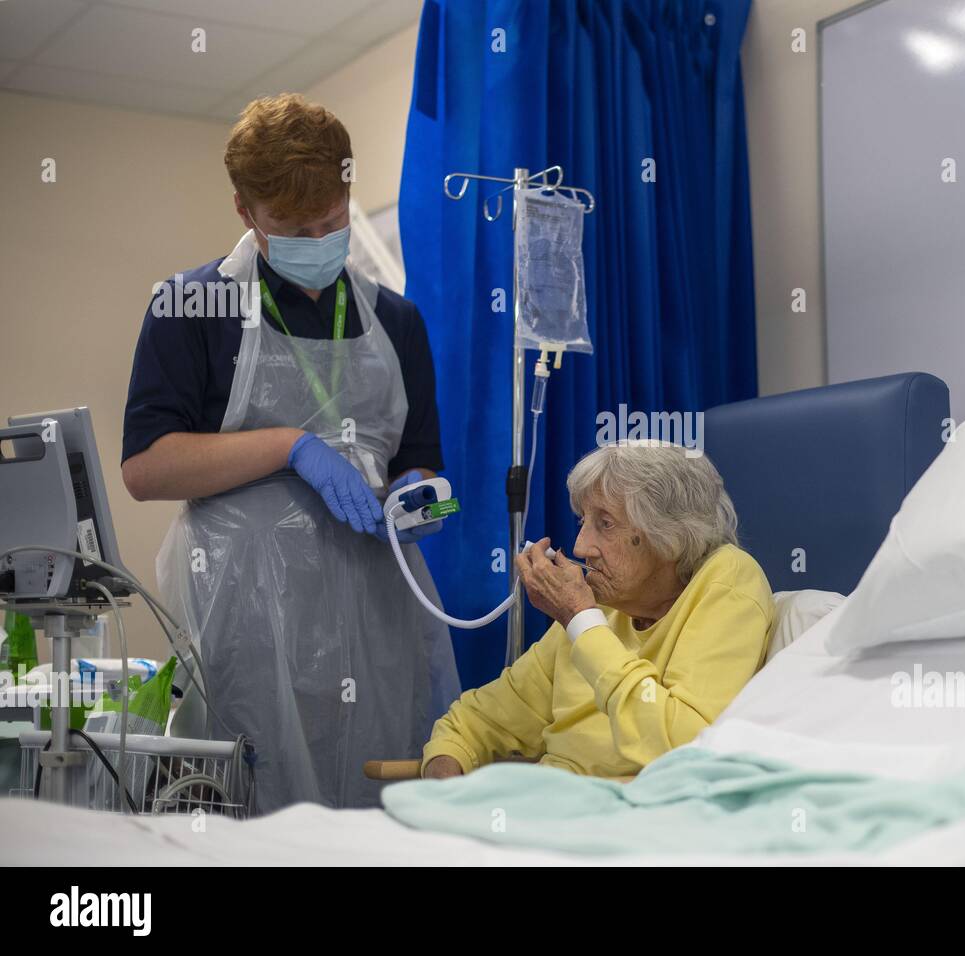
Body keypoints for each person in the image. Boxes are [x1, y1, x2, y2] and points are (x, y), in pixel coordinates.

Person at [121, 93, 459, 812]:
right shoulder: (191, 308)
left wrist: (424, 500)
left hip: (380, 611)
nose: (317, 237)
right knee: (257, 800)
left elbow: (424, 463)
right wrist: (289, 446)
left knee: (380, 792)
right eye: (291, 227)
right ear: (245, 211)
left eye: (331, 222)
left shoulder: (395, 320)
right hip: (248, 611)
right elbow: (147, 468)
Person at [421, 441, 774, 780]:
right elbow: (475, 722)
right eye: (582, 522)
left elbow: (681, 746)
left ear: (669, 535)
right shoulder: (599, 607)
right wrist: (446, 784)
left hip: (632, 818)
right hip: (548, 810)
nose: (580, 546)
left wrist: (581, 619)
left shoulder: (726, 580)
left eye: (605, 523)